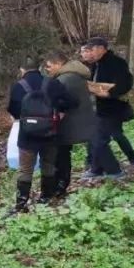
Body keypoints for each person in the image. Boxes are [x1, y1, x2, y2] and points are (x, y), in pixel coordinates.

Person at [7, 56, 74, 212]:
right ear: (39, 68)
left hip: (27, 135)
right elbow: (70, 101)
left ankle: (21, 203)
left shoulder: (18, 86)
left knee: (25, 169)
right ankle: (46, 197)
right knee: (48, 164)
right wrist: (60, 112)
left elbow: (13, 110)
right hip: (50, 133)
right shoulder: (52, 82)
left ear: (22, 70)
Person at [81, 37, 134, 179]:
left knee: (99, 140)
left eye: (92, 49)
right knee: (97, 138)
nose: (90, 53)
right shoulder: (96, 64)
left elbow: (125, 84)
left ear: (101, 48)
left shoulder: (117, 63)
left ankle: (114, 171)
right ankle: (96, 169)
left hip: (113, 108)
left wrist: (109, 93)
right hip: (100, 107)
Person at [45, 51, 98, 197]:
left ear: (58, 64)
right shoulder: (78, 75)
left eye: (49, 66)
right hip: (83, 121)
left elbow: (61, 102)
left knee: (61, 155)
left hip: (67, 124)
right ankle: (62, 184)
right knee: (64, 154)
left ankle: (60, 186)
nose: (47, 70)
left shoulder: (63, 80)